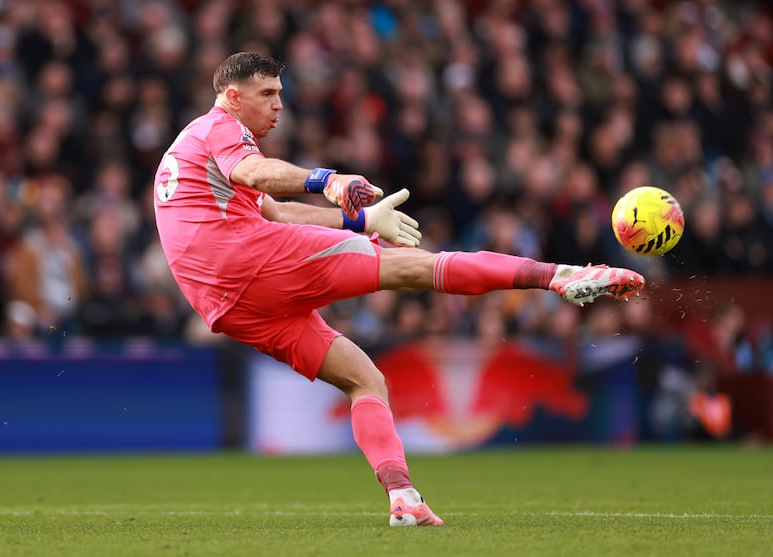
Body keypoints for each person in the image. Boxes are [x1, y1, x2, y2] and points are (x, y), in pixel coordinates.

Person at [153, 52, 646, 527]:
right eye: (267, 94)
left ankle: (403, 498)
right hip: (245, 264)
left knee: (364, 379)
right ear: (233, 97)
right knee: (413, 267)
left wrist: (363, 219)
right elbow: (257, 172)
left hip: (227, 303)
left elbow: (277, 212)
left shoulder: (194, 149)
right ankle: (559, 276)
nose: (279, 104)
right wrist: (327, 180)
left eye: (280, 92)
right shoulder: (221, 127)